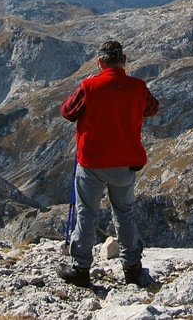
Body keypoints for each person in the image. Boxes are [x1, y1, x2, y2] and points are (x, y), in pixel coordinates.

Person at [56, 40, 159, 288]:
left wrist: (86, 85)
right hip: (125, 163)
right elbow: (152, 109)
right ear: (124, 60)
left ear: (100, 62)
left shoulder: (90, 87)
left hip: (92, 162)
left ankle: (81, 268)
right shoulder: (138, 87)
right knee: (123, 214)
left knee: (87, 213)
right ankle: (132, 268)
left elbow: (68, 112)